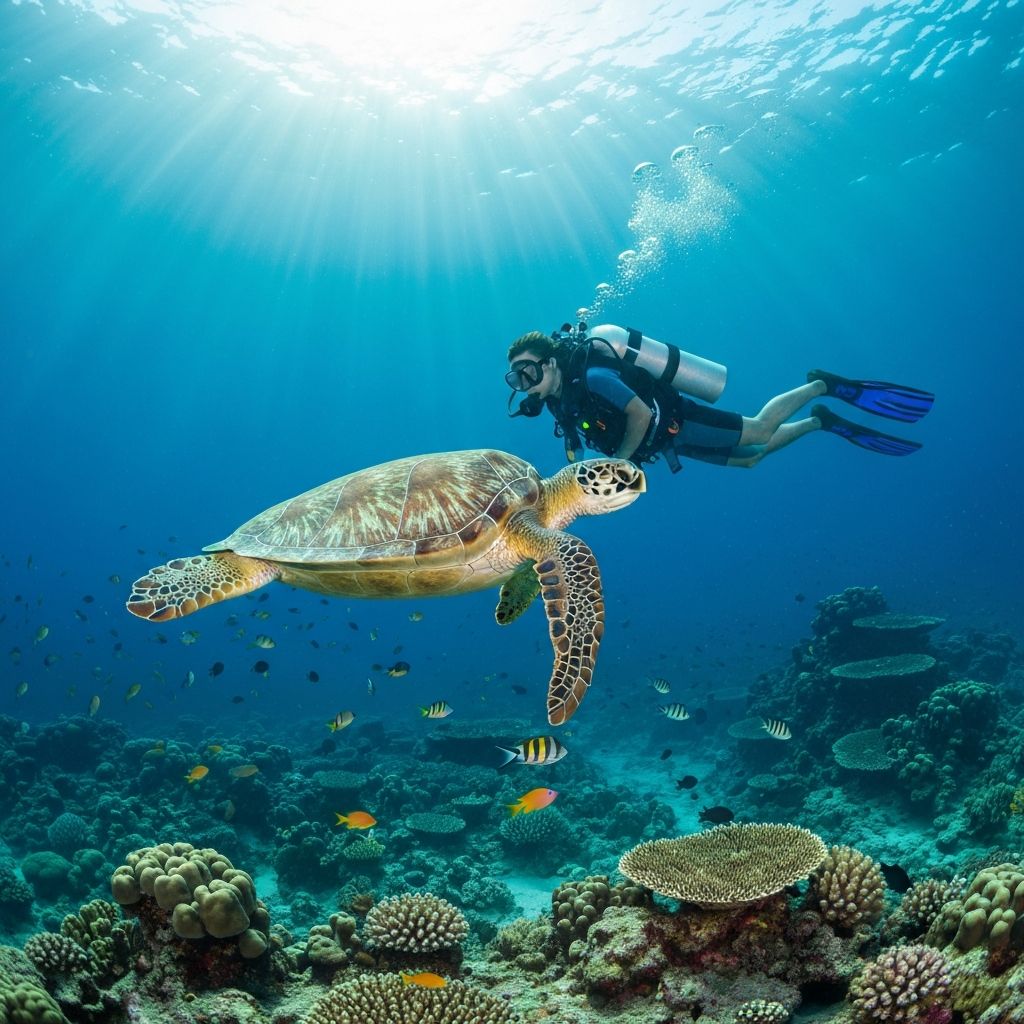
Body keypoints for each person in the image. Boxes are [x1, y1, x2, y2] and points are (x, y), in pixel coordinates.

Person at [505, 323, 933, 471]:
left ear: (552, 362)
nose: (524, 384)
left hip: (677, 422)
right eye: (515, 379)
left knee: (760, 430)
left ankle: (823, 384)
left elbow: (637, 414)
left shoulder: (594, 376)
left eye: (527, 372)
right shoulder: (559, 399)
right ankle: (821, 420)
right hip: (666, 443)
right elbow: (580, 432)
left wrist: (619, 461)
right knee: (750, 460)